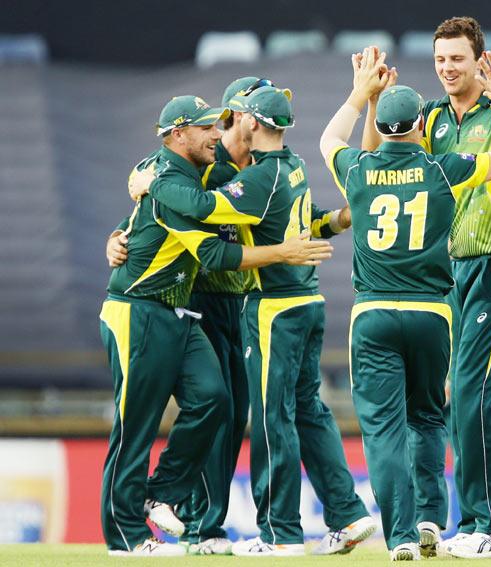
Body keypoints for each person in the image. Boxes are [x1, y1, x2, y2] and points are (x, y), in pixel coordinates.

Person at [129, 85, 376, 557]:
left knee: (263, 414)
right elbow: (152, 174)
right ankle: (217, 525)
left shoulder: (264, 172)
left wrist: (333, 221)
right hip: (212, 296)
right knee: (253, 411)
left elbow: (215, 209)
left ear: (251, 120)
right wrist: (124, 227)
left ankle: (278, 532)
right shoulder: (225, 157)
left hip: (260, 302)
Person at [363, 17, 491, 558]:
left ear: (478, 60)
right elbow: (371, 157)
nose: (446, 69)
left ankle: (487, 522)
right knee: (477, 395)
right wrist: (371, 103)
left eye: (456, 59)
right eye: (439, 60)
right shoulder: (430, 119)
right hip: (455, 271)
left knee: (474, 393)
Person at [321, 46, 491, 560]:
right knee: (430, 419)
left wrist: (361, 94)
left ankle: (403, 538)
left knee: (384, 431)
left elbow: (331, 139)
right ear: (422, 125)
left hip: (372, 315)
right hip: (433, 313)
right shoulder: (441, 169)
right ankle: (434, 516)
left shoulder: (358, 171)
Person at [112, 76, 285, 556]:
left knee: (218, 406)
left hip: (200, 306)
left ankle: (165, 497)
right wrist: (283, 252)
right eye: (210, 124)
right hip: (164, 302)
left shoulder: (257, 164)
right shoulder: (185, 174)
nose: (220, 129)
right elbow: (203, 239)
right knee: (138, 423)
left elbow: (148, 209)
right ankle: (136, 532)